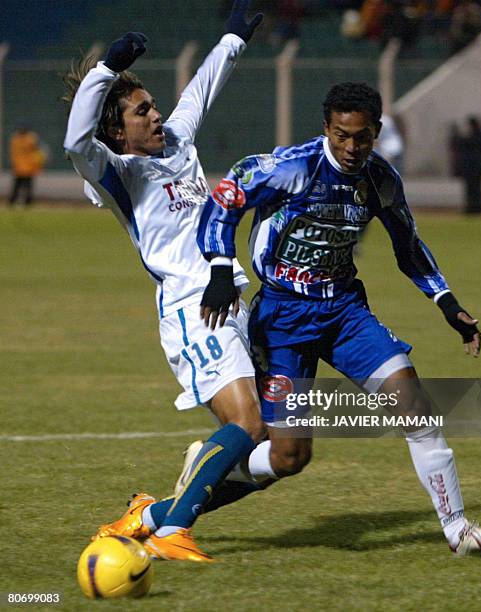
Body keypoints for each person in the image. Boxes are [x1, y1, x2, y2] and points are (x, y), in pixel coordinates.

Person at [194, 81, 481, 556]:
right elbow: (226, 196)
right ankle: (199, 481)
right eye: (341, 135)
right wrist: (220, 268)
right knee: (289, 456)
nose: (350, 147)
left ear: (376, 132)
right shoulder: (293, 168)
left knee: (416, 407)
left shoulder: (380, 179)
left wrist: (446, 302)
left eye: (361, 137)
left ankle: (458, 530)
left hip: (344, 312)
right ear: (326, 128)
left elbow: (407, 245)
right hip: (282, 319)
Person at [63, 0, 267, 562]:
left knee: (273, 452)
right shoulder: (120, 176)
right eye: (141, 111)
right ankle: (173, 531)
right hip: (193, 311)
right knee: (248, 426)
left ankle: (150, 516)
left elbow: (201, 89)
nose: (156, 116)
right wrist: (106, 68)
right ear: (116, 130)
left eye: (153, 107)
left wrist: (233, 39)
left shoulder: (176, 141)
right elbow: (75, 144)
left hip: (232, 300)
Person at [457, 115, 481, 214]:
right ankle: (473, 208)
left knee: (475, 189)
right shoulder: (480, 136)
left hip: (474, 167)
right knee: (472, 189)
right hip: (474, 167)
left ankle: (476, 208)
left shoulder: (476, 136)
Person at [8, 128, 46, 206]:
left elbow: (13, 154)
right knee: (27, 187)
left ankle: (12, 201)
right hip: (28, 167)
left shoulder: (15, 140)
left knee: (17, 187)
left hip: (20, 167)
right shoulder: (31, 139)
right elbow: (38, 153)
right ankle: (27, 202)